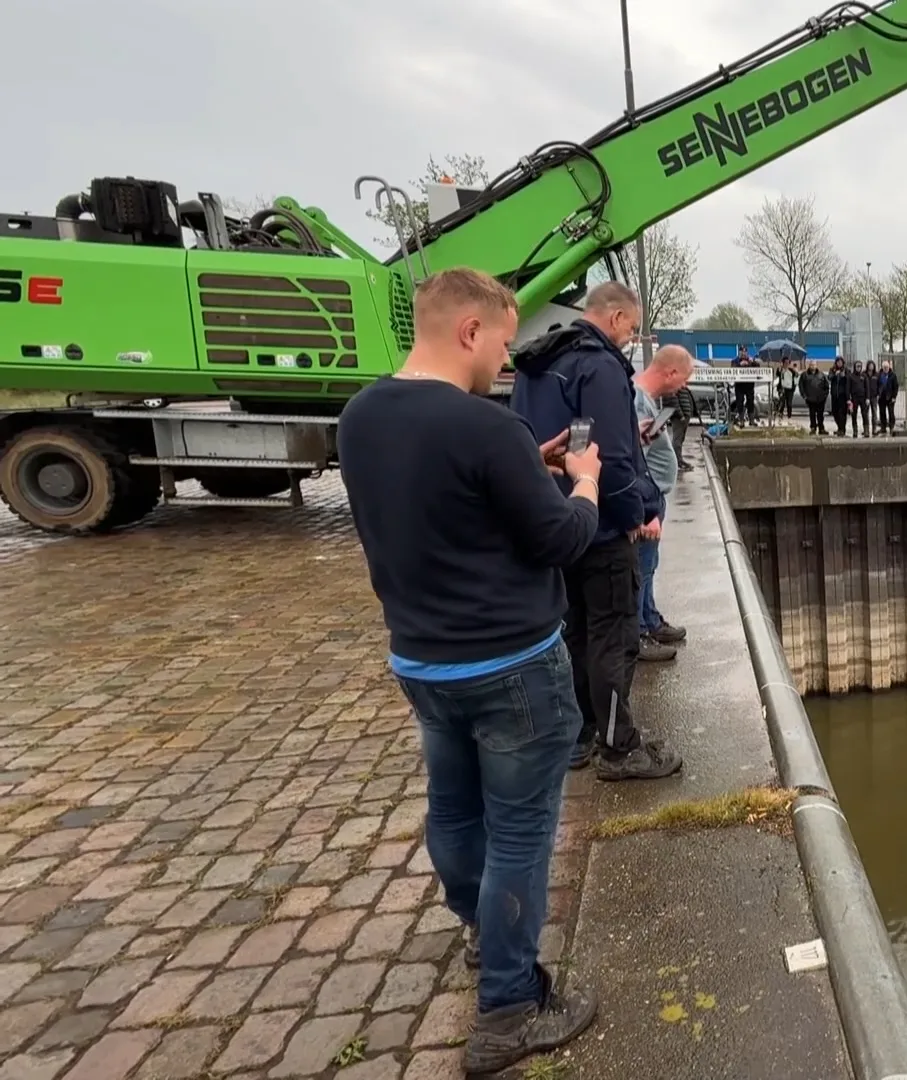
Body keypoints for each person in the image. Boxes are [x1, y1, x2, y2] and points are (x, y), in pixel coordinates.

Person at [337, 267, 600, 1074]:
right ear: (468, 331)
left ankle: (486, 939)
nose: (507, 363)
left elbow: (445, 502)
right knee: (521, 832)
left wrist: (531, 461)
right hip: (512, 665)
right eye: (503, 342)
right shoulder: (486, 428)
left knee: (454, 812)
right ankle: (508, 1011)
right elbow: (559, 540)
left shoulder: (360, 416)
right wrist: (582, 486)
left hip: (422, 661)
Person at [510, 281, 681, 782]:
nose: (630, 337)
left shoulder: (536, 364)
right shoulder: (599, 365)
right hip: (603, 527)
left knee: (575, 633)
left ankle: (582, 736)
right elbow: (616, 457)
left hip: (554, 520)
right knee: (614, 636)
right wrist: (638, 515)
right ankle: (619, 747)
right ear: (615, 318)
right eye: (631, 326)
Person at [633, 346, 695, 654]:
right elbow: (634, 463)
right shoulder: (636, 399)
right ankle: (639, 634)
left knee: (648, 564)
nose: (683, 386)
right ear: (670, 372)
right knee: (640, 566)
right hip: (646, 499)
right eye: (683, 379)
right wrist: (646, 511)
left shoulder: (646, 399)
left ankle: (650, 618)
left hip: (653, 495)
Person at [669, 376, 700, 473]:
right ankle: (677, 462)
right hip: (679, 418)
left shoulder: (682, 386)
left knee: (680, 439)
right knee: (677, 439)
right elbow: (674, 402)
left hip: (685, 416)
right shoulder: (675, 386)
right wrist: (681, 415)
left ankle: (679, 459)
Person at [798, 361, 828, 434]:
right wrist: (804, 396)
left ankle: (821, 429)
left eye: (814, 365)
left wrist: (824, 396)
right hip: (810, 399)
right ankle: (813, 428)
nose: (813, 366)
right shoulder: (804, 375)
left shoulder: (821, 375)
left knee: (820, 415)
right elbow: (801, 386)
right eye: (811, 365)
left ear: (816, 366)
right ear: (809, 366)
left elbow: (826, 386)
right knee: (812, 414)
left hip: (820, 399)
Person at [849, 359, 873, 437]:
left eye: (860, 366)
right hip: (854, 398)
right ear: (855, 367)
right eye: (857, 366)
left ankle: (866, 431)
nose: (859, 368)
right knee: (854, 415)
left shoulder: (864, 376)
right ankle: (855, 431)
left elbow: (867, 387)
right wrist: (848, 400)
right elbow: (848, 388)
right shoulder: (851, 376)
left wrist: (868, 398)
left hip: (863, 398)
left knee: (865, 415)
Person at [828, 356, 852, 436]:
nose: (839, 363)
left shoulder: (846, 370)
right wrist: (835, 374)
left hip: (843, 395)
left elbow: (849, 380)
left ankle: (842, 429)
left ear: (843, 363)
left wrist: (844, 376)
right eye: (838, 362)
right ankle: (839, 427)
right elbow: (829, 377)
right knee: (835, 412)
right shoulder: (832, 369)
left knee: (842, 413)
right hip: (835, 395)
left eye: (840, 362)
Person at [875, 359, 900, 434]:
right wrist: (877, 394)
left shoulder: (893, 375)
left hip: (890, 397)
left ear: (889, 367)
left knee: (891, 413)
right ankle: (883, 427)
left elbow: (896, 387)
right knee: (882, 413)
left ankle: (892, 427)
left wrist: (894, 397)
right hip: (881, 397)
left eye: (887, 367)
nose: (886, 368)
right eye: (884, 367)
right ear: (882, 367)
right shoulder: (879, 375)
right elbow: (876, 385)